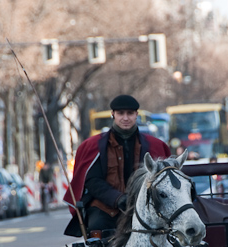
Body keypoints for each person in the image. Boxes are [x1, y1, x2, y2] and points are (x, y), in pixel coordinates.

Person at [63, 94, 170, 237]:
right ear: (113, 114)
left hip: (146, 207)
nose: (125, 118)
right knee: (97, 230)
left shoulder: (156, 145)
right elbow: (92, 181)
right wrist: (117, 199)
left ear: (136, 115)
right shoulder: (92, 146)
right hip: (105, 208)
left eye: (130, 113)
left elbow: (165, 179)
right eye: (120, 113)